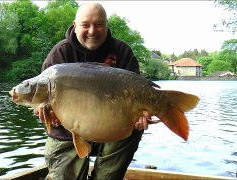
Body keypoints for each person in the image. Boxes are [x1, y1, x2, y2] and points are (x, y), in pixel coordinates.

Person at [39, 2, 153, 180]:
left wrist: (140, 117)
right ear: (75, 26)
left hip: (111, 129)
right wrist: (47, 113)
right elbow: (43, 104)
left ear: (107, 26)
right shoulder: (60, 55)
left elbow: (138, 93)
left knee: (133, 129)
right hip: (67, 132)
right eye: (85, 25)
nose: (92, 31)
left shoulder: (122, 52)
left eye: (99, 24)